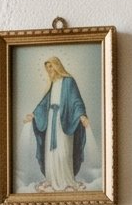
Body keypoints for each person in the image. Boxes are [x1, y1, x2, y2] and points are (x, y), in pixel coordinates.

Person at [27, 54, 89, 190]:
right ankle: (51, 179)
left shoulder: (68, 81)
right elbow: (44, 103)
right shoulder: (52, 84)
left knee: (64, 150)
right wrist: (34, 114)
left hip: (64, 121)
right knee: (51, 152)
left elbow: (76, 100)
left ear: (57, 66)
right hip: (51, 120)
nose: (49, 70)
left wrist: (81, 115)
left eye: (50, 66)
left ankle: (67, 180)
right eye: (47, 68)